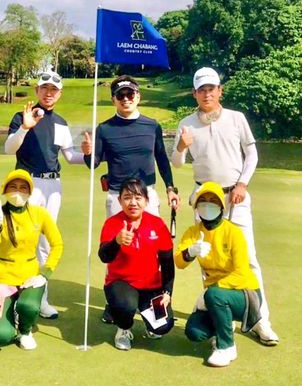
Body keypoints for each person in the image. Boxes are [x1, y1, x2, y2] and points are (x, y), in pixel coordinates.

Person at [171, 66, 278, 346]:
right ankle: (218, 317)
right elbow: (177, 162)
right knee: (208, 260)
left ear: (220, 91)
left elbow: (251, 153)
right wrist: (181, 146)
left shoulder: (236, 118)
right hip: (205, 200)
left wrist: (243, 183)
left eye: (211, 89)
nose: (207, 94)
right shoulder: (187, 123)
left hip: (235, 196)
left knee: (249, 260)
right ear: (194, 93)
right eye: (201, 90)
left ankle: (260, 319)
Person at [81, 74, 179, 323]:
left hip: (148, 195)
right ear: (114, 99)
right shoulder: (104, 129)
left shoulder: (152, 125)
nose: (126, 99)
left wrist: (170, 187)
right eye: (120, 95)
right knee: (115, 247)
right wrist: (87, 154)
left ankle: (157, 296)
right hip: (118, 197)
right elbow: (93, 164)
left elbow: (161, 159)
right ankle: (113, 302)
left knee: (153, 247)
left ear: (138, 96)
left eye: (130, 94)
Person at [4, 70, 84, 319]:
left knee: (46, 243)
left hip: (53, 185)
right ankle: (18, 297)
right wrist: (25, 128)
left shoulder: (60, 122)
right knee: (24, 240)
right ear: (37, 91)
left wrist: (91, 155)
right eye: (45, 89)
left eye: (54, 90)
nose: (49, 93)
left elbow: (69, 156)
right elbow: (9, 149)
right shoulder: (22, 116)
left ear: (59, 94)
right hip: (28, 184)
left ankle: (40, 298)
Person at [175, 182, 263, 367]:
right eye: (203, 201)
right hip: (217, 297)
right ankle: (223, 326)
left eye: (213, 200)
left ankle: (227, 347)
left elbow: (240, 272)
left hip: (246, 294)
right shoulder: (193, 232)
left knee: (214, 295)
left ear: (222, 206)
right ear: (196, 206)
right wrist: (190, 252)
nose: (208, 204)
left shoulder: (233, 232)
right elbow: (179, 262)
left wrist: (208, 294)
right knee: (194, 331)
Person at [0, 169, 63, 350]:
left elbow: (57, 244)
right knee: (1, 336)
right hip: (2, 277)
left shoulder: (39, 213)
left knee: (28, 305)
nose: (18, 192)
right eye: (13, 187)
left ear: (29, 191)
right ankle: (11, 314)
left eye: (23, 188)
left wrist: (46, 272)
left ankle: (25, 330)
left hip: (31, 277)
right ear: (5, 189)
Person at [98, 177, 175, 351]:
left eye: (138, 197)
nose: (133, 202)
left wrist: (167, 291)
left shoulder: (157, 224)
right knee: (125, 307)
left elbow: (168, 263)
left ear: (146, 201)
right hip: (121, 283)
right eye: (127, 197)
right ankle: (123, 329)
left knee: (163, 325)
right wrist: (116, 241)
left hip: (151, 285)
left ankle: (150, 322)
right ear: (120, 201)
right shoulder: (112, 224)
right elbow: (104, 256)